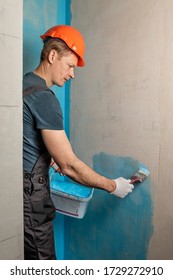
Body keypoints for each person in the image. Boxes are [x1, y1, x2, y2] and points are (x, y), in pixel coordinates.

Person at [23, 25, 134, 260]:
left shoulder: (21, 87)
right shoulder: (45, 98)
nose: (72, 74)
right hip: (30, 206)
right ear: (52, 56)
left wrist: (43, 155)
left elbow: (21, 139)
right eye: (70, 65)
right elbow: (69, 166)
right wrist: (113, 186)